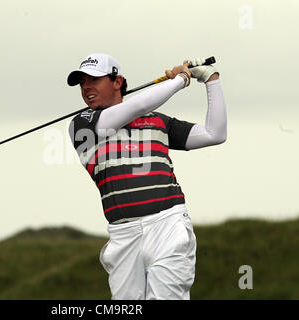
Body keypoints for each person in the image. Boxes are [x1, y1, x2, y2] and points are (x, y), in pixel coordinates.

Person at [67, 53, 227, 300]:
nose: (86, 87)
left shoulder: (158, 122)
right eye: (82, 82)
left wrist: (211, 80)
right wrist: (180, 79)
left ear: (117, 81)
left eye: (94, 80)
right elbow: (138, 106)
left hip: (167, 224)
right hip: (123, 235)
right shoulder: (82, 125)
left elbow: (214, 133)